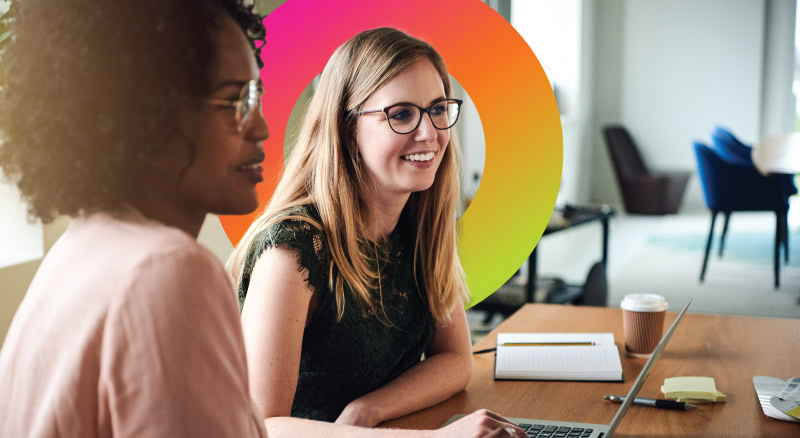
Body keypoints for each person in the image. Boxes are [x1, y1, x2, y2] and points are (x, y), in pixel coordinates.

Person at [0, 1, 524, 437]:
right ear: (150, 114)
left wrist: (372, 413)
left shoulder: (83, 243)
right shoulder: (169, 267)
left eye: (253, 97)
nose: (261, 125)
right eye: (233, 101)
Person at [229, 27, 489, 429]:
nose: (429, 133)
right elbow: (260, 427)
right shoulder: (293, 248)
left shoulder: (420, 221)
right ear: (348, 131)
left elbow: (455, 360)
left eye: (438, 109)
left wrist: (366, 410)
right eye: (401, 114)